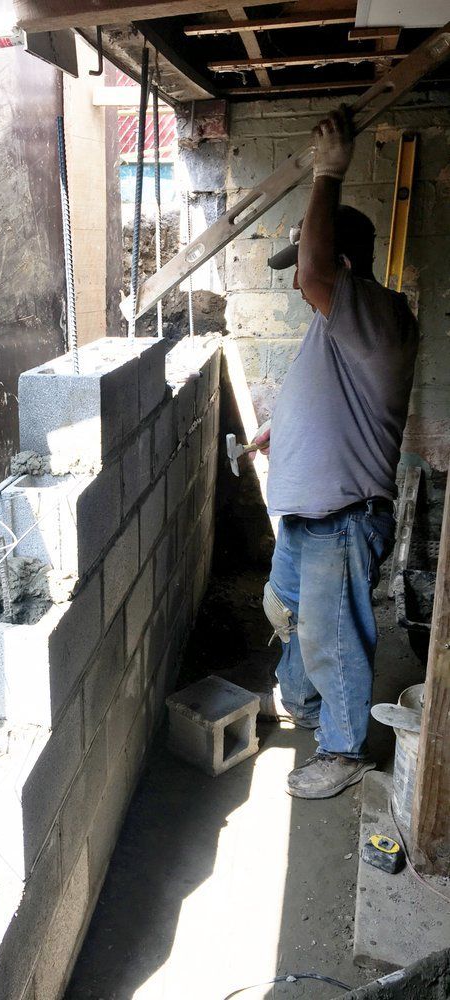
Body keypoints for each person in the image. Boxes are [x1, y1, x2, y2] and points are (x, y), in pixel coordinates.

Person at [253, 108, 419, 799]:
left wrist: (328, 174)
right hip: (306, 515)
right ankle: (305, 707)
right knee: (286, 617)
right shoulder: (337, 328)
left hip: (342, 519)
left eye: (308, 268)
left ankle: (344, 750)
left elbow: (315, 270)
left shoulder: (376, 315)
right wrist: (277, 432)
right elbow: (326, 399)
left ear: (341, 266)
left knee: (334, 641)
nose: (300, 283)